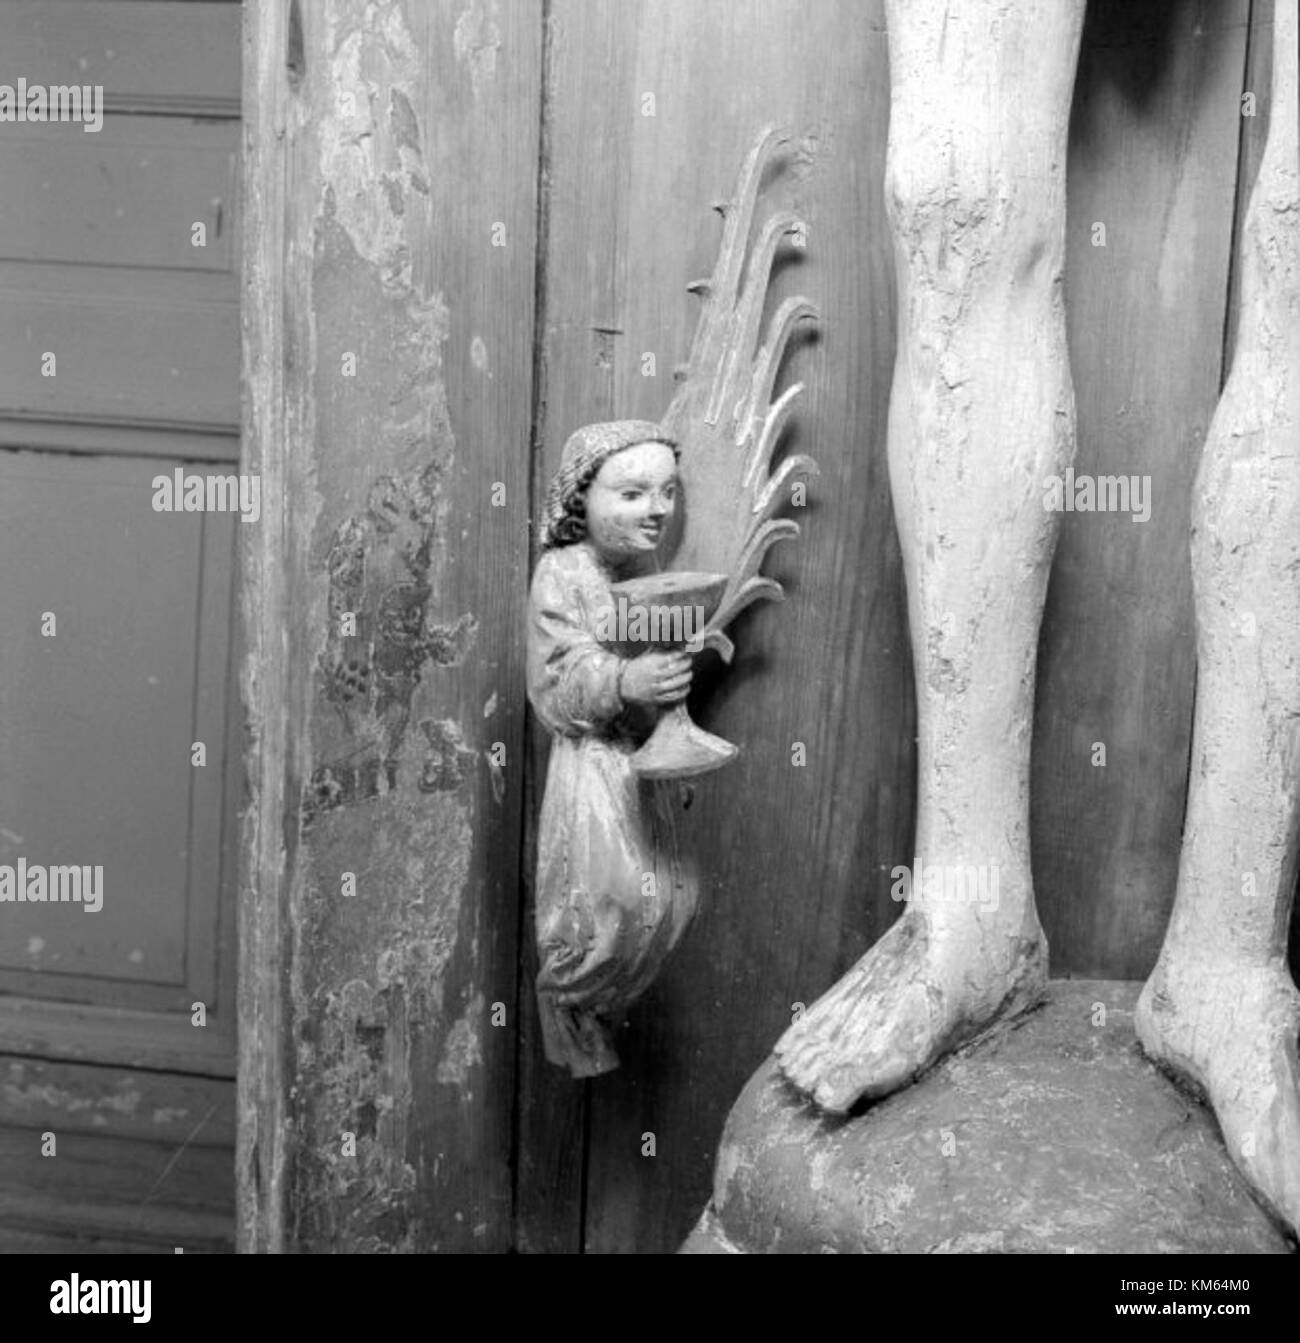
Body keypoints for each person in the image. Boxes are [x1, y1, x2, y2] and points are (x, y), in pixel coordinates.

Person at [527, 420, 700, 1076]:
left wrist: (673, 686)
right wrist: (625, 679)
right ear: (581, 499)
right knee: (608, 900)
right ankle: (569, 1012)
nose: (656, 509)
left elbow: (666, 647)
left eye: (667, 492)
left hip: (643, 760)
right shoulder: (563, 573)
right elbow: (554, 680)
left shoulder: (649, 571)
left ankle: (600, 1014)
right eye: (631, 494)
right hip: (592, 763)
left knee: (672, 899)